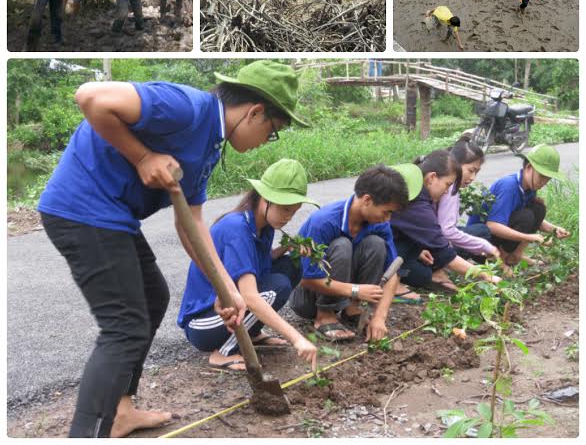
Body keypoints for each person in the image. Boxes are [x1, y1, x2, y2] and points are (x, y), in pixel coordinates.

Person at [37, 60, 309, 437]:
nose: (268, 141)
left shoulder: (210, 145)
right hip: (82, 210)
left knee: (152, 298)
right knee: (124, 328)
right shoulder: (186, 107)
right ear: (255, 112)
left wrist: (225, 287)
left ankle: (121, 410)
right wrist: (142, 156)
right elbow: (91, 97)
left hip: (115, 218)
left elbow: (191, 222)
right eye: (273, 132)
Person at [179, 159, 319, 372]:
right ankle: (222, 353)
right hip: (203, 322)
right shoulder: (237, 229)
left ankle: (251, 333)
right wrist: (297, 338)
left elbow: (257, 265)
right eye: (285, 209)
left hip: (231, 311)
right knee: (277, 287)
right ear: (264, 199)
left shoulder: (264, 225)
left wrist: (286, 248)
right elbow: (251, 297)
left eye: (294, 211)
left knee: (291, 265)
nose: (288, 217)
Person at [290, 164, 421, 342]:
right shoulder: (324, 222)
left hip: (346, 292)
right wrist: (355, 290)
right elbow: (308, 279)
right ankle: (325, 314)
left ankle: (352, 309)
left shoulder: (379, 224)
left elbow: (393, 272)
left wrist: (379, 317)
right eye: (387, 211)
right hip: (308, 299)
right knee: (342, 245)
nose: (388, 218)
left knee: (376, 244)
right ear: (367, 200)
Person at [391, 150, 501, 293]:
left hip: (392, 244)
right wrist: (486, 275)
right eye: (448, 185)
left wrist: (417, 252)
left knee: (423, 275)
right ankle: (392, 284)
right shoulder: (417, 203)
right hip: (378, 250)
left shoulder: (420, 191)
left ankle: (399, 275)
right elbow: (445, 254)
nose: (446, 192)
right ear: (432, 178)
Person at [467, 144, 570, 268]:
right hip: (480, 245)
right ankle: (502, 259)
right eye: (542, 176)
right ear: (528, 168)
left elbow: (534, 219)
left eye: (547, 179)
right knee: (525, 216)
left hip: (495, 237)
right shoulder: (509, 186)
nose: (544, 182)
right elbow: (493, 226)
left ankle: (515, 255)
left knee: (538, 208)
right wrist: (528, 238)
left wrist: (554, 229)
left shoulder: (530, 187)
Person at [438, 137, 500, 263]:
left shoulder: (444, 180)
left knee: (478, 232)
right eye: (471, 171)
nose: (472, 178)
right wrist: (484, 245)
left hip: (434, 238)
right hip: (434, 243)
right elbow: (447, 231)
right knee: (482, 233)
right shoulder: (450, 188)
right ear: (455, 163)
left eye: (476, 173)